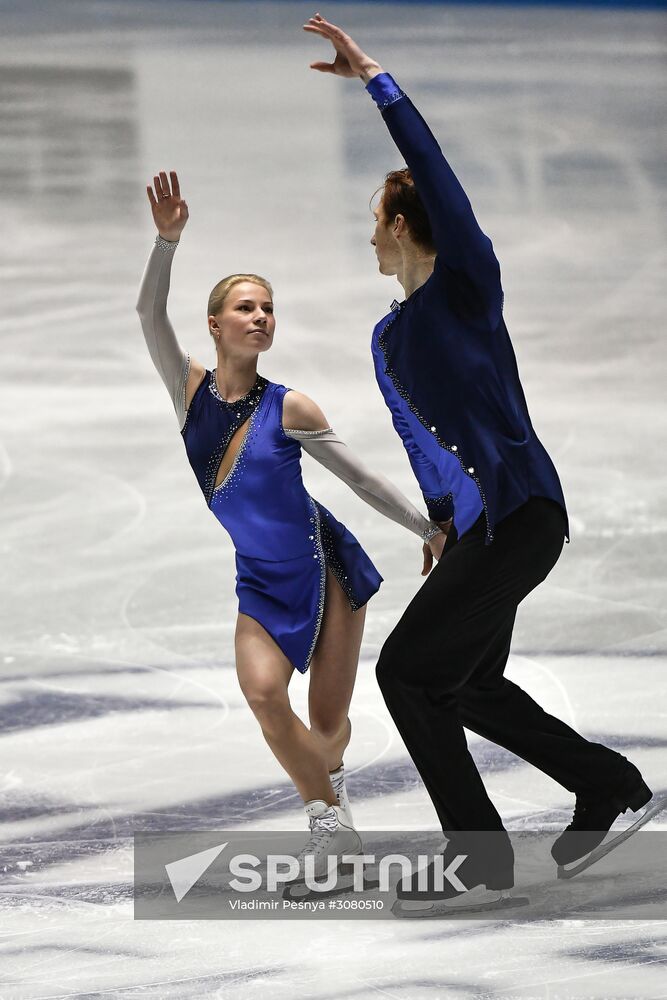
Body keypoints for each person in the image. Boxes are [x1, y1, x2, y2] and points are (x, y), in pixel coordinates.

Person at [303, 12, 653, 908]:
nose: (367, 237)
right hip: (480, 528)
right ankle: (602, 781)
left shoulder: (465, 288)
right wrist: (443, 524)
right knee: (461, 681)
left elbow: (444, 187)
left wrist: (380, 84)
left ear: (406, 224)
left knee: (407, 673)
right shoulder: (389, 335)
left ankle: (478, 858)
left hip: (523, 513)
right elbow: (429, 443)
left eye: (376, 222)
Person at [135, 169, 446, 877]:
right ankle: (331, 828)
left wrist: (425, 529)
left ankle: (329, 808)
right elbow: (149, 317)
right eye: (245, 308)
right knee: (263, 694)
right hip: (260, 578)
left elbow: (360, 478)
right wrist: (165, 241)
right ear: (215, 325)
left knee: (329, 728)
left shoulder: (291, 407)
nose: (260, 317)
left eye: (268, 309)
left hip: (324, 568)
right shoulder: (189, 394)